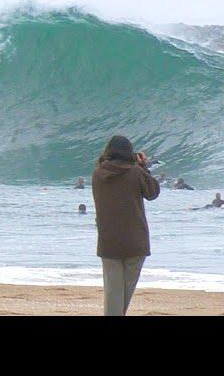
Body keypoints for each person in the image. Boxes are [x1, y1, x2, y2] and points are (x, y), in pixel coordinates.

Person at [92, 135, 160, 316]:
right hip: (135, 239)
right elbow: (152, 192)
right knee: (125, 293)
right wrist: (144, 167)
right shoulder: (135, 172)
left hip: (108, 239)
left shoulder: (98, 173)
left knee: (113, 293)